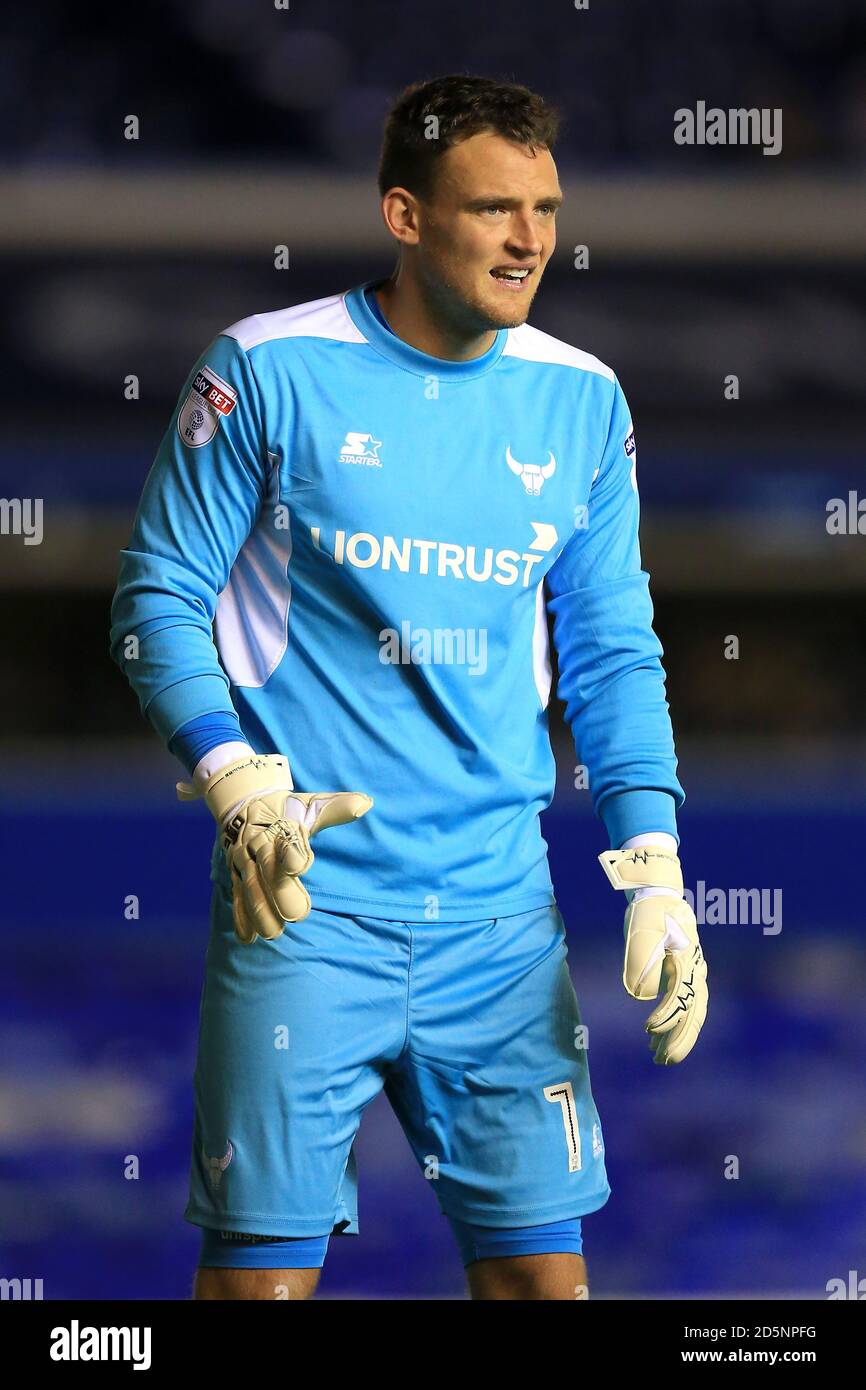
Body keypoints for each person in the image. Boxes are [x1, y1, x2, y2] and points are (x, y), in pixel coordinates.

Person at [110, 72, 707, 1302]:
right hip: (302, 912)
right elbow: (156, 597)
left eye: (544, 206)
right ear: (403, 214)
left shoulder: (583, 399)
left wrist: (653, 866)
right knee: (256, 1291)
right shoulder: (267, 370)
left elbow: (609, 645)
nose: (530, 237)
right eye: (493, 207)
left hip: (500, 925)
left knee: (546, 1289)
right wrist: (233, 781)